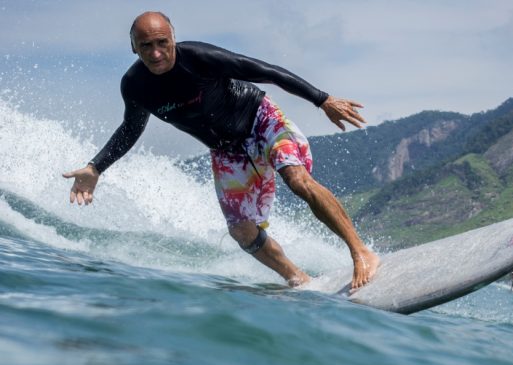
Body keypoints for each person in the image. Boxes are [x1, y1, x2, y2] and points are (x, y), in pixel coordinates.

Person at [63, 11, 379, 292]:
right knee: (241, 231)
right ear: (134, 46)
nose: (156, 53)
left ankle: (360, 251)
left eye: (162, 42)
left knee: (297, 179)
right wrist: (95, 168)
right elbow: (130, 129)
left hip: (260, 120)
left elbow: (264, 71)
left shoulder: (199, 57)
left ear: (173, 37)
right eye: (146, 46)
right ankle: (299, 280)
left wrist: (322, 99)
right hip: (227, 151)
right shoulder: (135, 85)